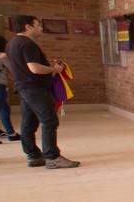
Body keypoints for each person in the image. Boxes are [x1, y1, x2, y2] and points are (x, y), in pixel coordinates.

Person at [6, 15, 79, 169]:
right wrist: (54, 69)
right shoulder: (27, 44)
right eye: (38, 25)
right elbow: (34, 68)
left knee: (29, 122)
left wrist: (46, 64)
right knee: (49, 120)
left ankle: (33, 155)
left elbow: (26, 66)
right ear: (28, 26)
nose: (40, 28)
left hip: (24, 87)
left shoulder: (12, 43)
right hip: (35, 88)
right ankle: (52, 157)